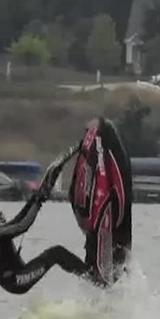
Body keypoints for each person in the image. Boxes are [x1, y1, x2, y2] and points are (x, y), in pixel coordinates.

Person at [0, 147, 92, 295]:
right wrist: (38, 202)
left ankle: (90, 274)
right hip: (16, 281)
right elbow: (22, 226)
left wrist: (37, 196)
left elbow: (17, 220)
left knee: (55, 253)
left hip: (17, 276)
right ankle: (93, 278)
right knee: (56, 253)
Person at [68, 116, 133, 286]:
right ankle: (109, 288)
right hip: (106, 219)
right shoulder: (96, 145)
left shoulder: (100, 145)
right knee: (116, 266)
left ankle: (106, 289)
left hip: (106, 216)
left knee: (113, 268)